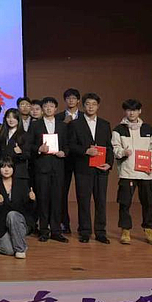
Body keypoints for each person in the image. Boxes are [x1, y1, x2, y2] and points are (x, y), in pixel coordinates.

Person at [112, 99, 152, 246]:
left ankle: (149, 230)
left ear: (139, 111)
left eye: (134, 110)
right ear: (125, 112)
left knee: (147, 202)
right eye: (128, 110)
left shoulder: (148, 129)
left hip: (145, 173)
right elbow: (115, 147)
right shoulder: (119, 129)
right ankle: (125, 230)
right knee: (124, 202)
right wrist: (123, 152)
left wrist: (151, 165)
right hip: (127, 172)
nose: (131, 113)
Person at [68, 93, 114, 244]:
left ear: (98, 106)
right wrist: (85, 151)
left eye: (94, 104)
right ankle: (85, 231)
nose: (91, 107)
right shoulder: (75, 124)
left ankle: (100, 232)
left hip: (101, 168)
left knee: (101, 201)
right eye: (88, 104)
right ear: (83, 106)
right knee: (83, 200)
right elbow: (71, 145)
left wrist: (109, 163)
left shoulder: (105, 124)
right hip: (83, 168)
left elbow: (109, 146)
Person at [29, 97, 69, 242]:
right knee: (43, 199)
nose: (48, 109)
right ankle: (44, 231)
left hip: (58, 167)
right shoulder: (35, 125)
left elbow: (67, 145)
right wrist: (39, 149)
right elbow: (29, 145)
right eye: (45, 106)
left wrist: (64, 152)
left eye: (51, 106)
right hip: (42, 167)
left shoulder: (62, 125)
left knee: (57, 199)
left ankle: (56, 231)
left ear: (56, 109)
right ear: (42, 109)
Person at [0, 157, 35, 259]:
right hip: (2, 224)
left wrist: (31, 200)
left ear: (13, 169)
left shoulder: (21, 184)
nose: (6, 170)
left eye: (9, 167)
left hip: (19, 222)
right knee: (9, 251)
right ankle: (19, 243)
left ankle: (20, 249)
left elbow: (28, 209)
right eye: (3, 167)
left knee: (12, 215)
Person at [57, 88, 82, 234]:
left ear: (78, 100)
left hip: (80, 158)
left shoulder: (85, 117)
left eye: (74, 98)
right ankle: (64, 223)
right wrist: (64, 124)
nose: (71, 100)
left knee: (82, 194)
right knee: (62, 193)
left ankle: (83, 226)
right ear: (65, 100)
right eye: (68, 98)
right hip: (64, 159)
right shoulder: (58, 117)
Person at [0, 109, 30, 184]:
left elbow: (28, 154)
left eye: (14, 117)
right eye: (8, 117)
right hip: (3, 171)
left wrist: (20, 153)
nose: (11, 120)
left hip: (18, 172)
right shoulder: (2, 134)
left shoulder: (24, 135)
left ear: (18, 119)